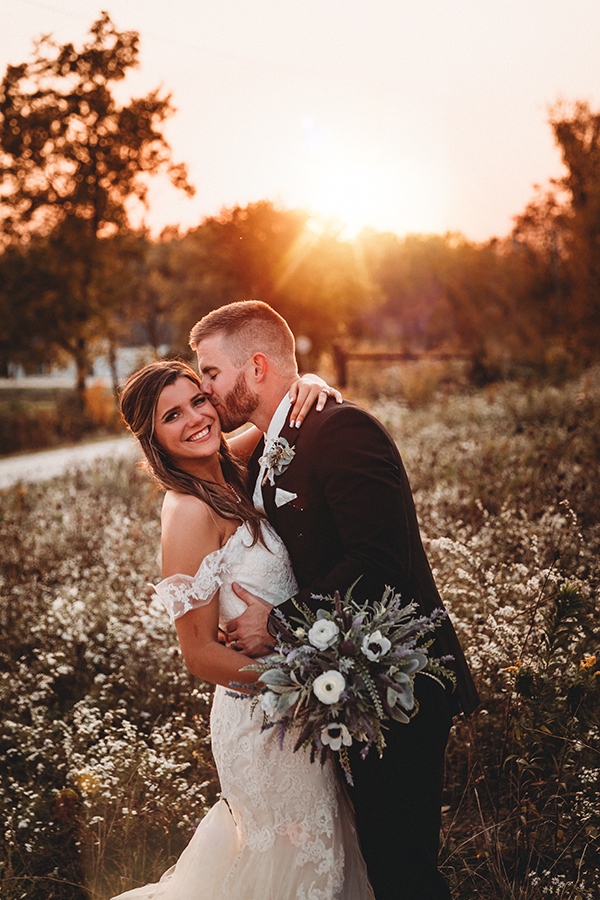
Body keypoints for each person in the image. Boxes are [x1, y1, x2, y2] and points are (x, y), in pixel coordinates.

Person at [189, 301, 481, 900]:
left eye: (211, 374)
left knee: (403, 870)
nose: (205, 388)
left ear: (258, 366)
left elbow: (379, 565)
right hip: (343, 686)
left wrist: (278, 622)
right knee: (379, 862)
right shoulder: (272, 444)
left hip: (401, 683)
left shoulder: (341, 428)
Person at [113, 359, 373, 900]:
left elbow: (288, 408)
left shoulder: (231, 463)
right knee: (293, 864)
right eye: (172, 416)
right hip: (260, 723)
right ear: (154, 440)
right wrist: (300, 679)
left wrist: (311, 383)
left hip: (299, 710)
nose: (195, 420)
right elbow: (199, 655)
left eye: (199, 401)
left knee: (325, 851)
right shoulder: (187, 513)